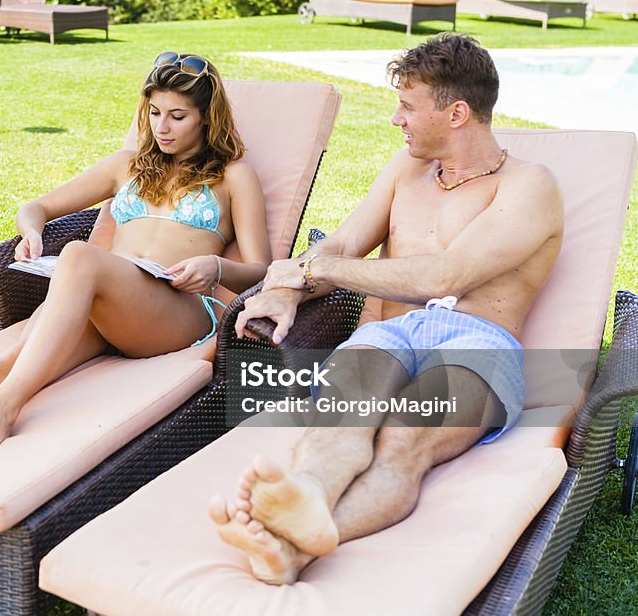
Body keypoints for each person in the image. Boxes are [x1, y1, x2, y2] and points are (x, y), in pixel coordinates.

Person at [208, 33, 564, 584]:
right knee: (339, 423)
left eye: (407, 106)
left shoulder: (530, 185)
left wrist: (312, 271)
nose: (395, 119)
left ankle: (293, 547)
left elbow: (445, 275)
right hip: (388, 336)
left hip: (477, 342)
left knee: (402, 438)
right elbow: (344, 244)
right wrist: (285, 290)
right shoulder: (406, 169)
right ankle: (289, 535)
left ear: (457, 113)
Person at [0, 52, 271, 450]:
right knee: (27, 349)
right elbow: (38, 208)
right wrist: (32, 232)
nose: (161, 127)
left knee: (79, 256)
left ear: (206, 117)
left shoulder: (234, 176)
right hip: (117, 305)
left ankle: (5, 407)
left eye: (177, 116)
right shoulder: (126, 166)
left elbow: (261, 268)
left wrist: (216, 267)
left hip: (177, 311)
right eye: (154, 113)